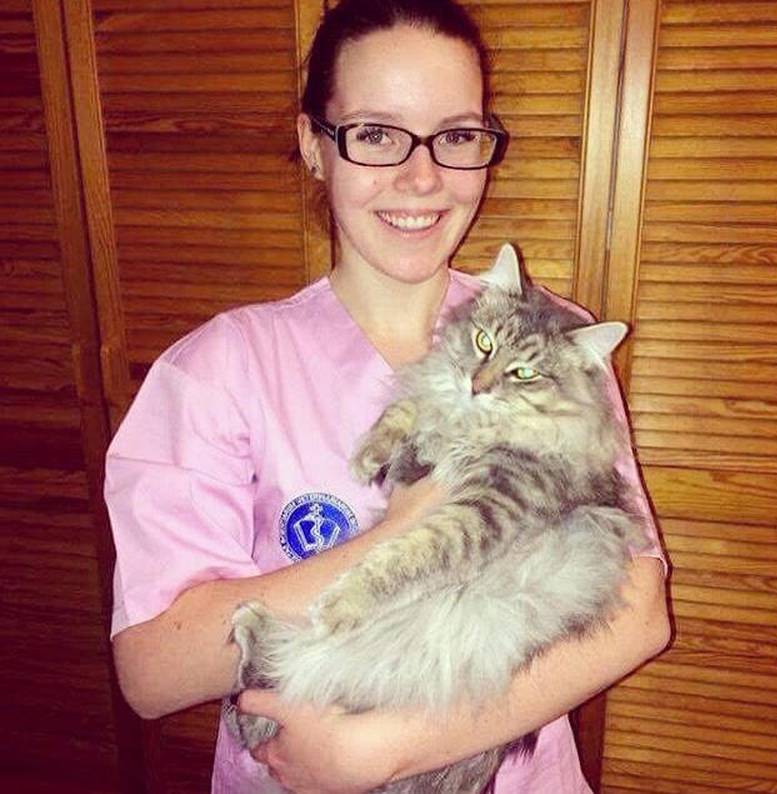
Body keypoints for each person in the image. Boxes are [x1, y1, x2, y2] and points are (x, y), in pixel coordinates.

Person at [106, 1, 670, 792]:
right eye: (376, 134)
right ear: (315, 145)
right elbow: (151, 670)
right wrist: (400, 530)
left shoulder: (556, 346)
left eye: (457, 136)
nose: (422, 177)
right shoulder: (216, 368)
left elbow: (639, 611)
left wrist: (391, 747)